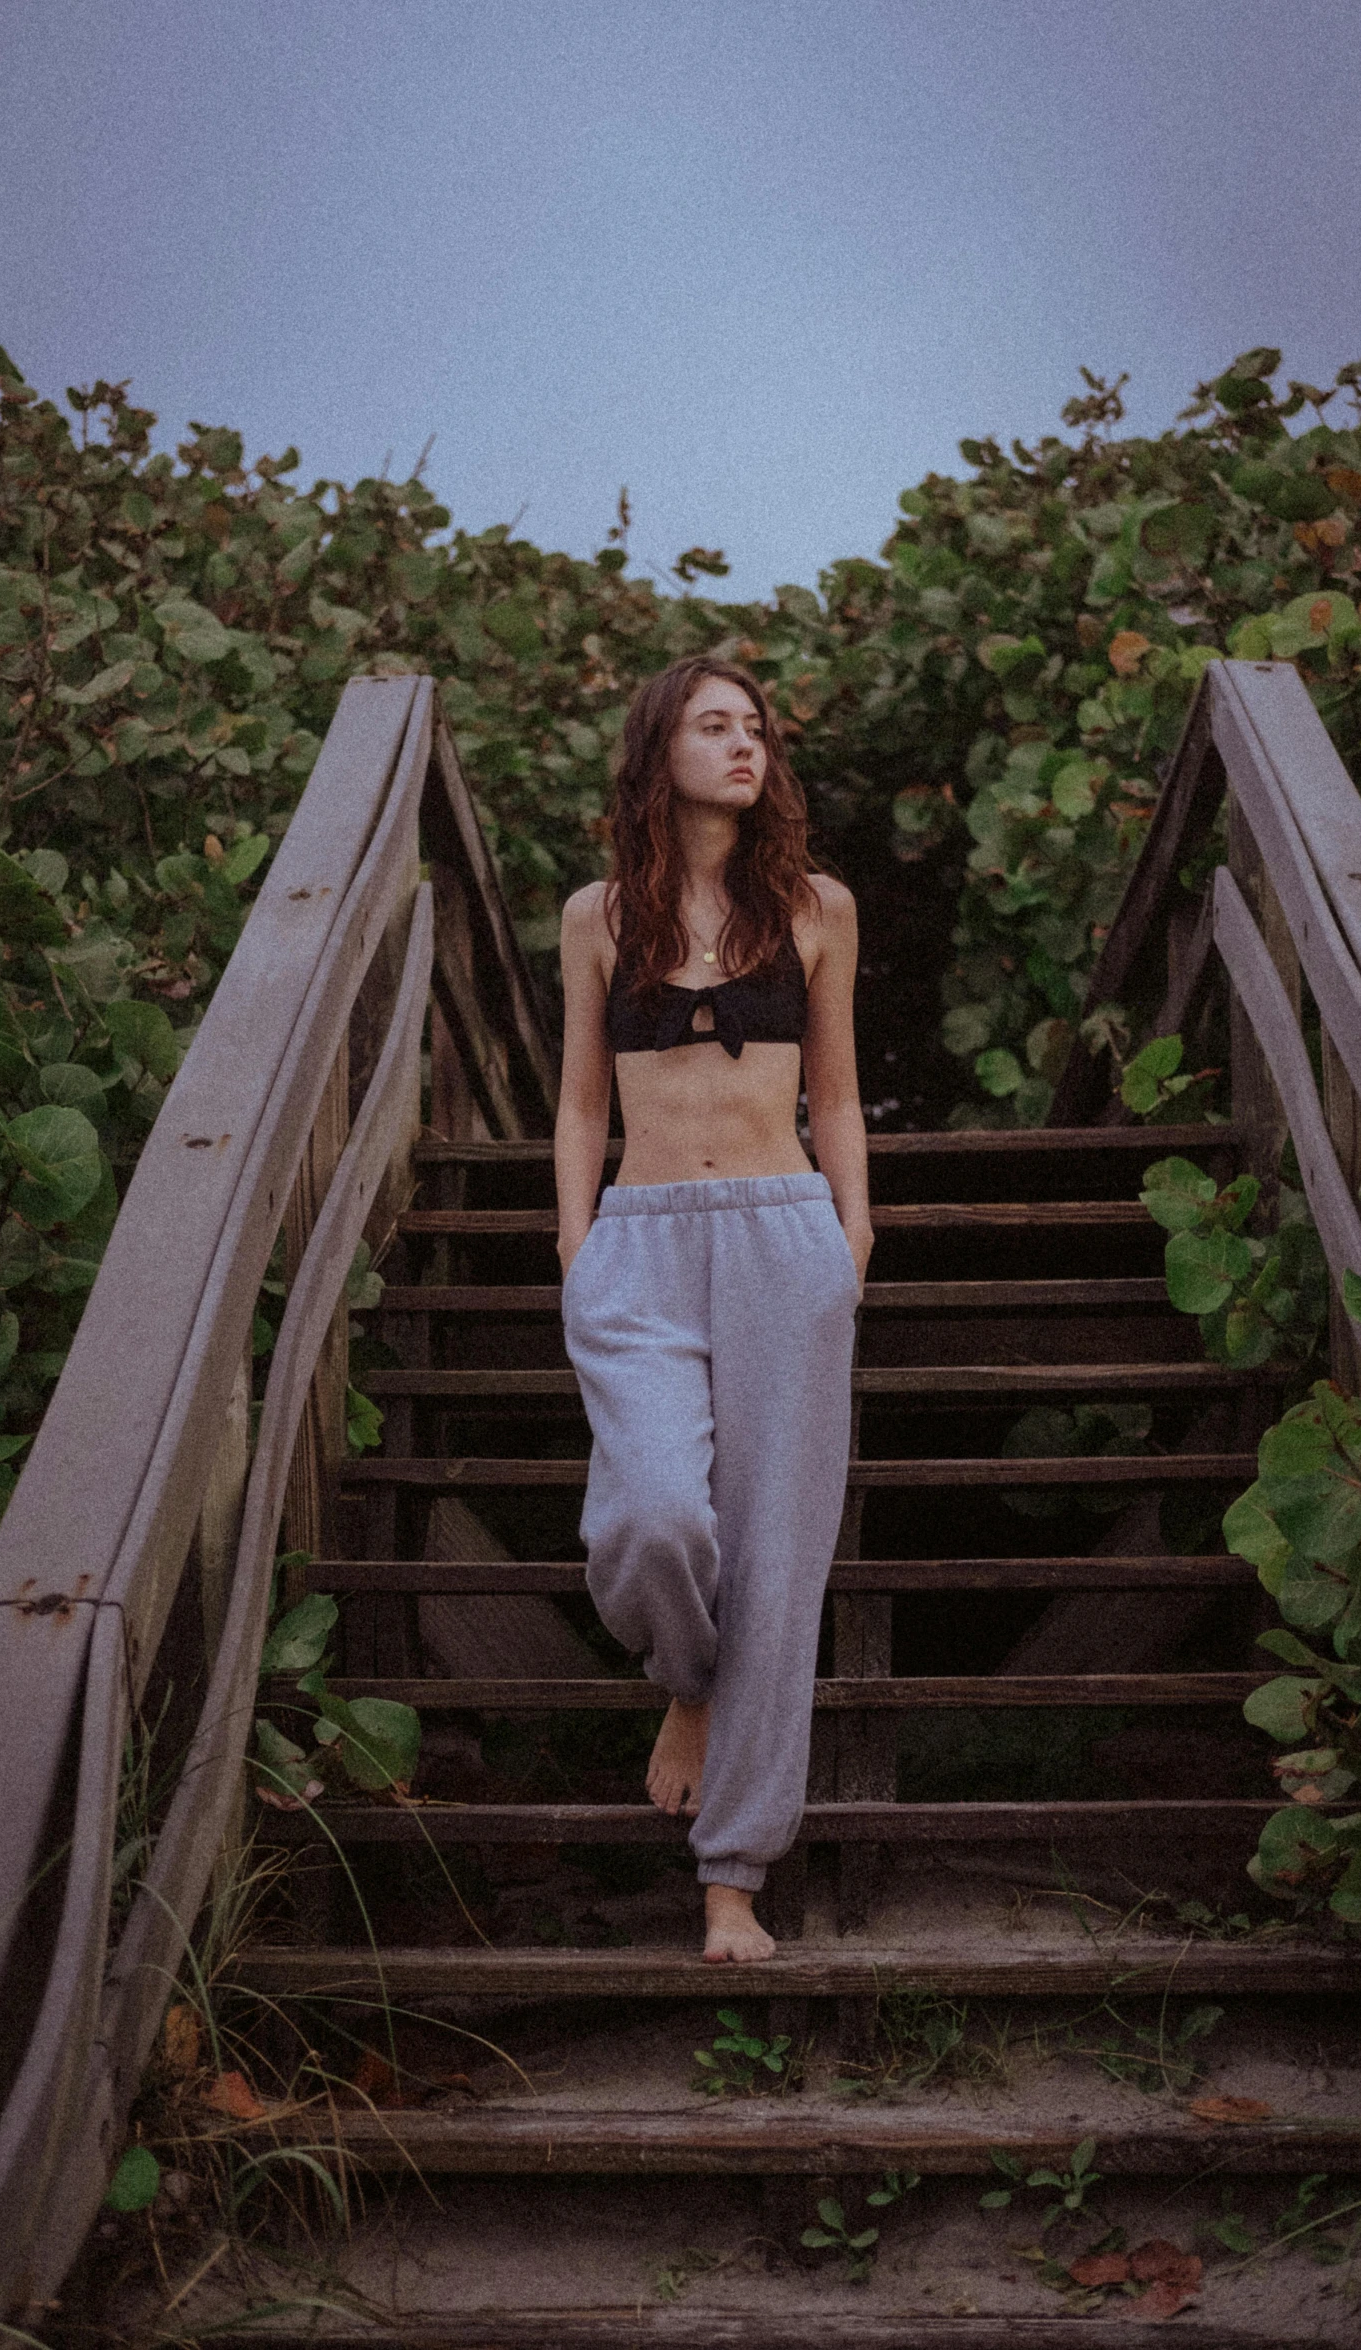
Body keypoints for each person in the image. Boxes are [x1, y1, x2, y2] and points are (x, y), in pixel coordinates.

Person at [555, 654, 872, 1963]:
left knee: (779, 1563)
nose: (742, 744)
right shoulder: (595, 915)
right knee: (650, 1516)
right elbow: (578, 1102)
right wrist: (578, 1248)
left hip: (781, 1243)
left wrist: (852, 1238)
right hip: (637, 1247)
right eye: (712, 723)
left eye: (755, 726)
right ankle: (684, 1675)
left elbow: (838, 1096)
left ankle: (730, 1878)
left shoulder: (814, 907)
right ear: (657, 749)